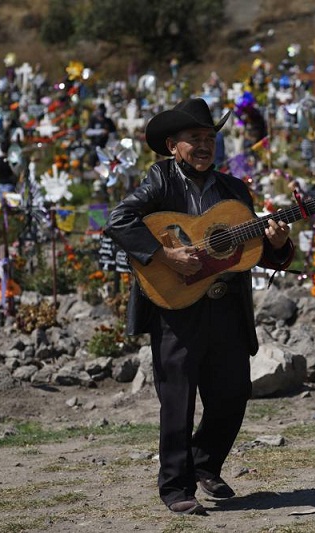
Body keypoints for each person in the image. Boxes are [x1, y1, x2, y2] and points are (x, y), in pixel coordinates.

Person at [104, 98, 294, 515]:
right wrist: (164, 255)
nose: (206, 146)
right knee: (178, 398)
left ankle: (205, 463)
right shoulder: (159, 181)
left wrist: (277, 244)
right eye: (196, 139)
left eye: (211, 138)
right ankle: (175, 487)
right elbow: (119, 220)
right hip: (177, 306)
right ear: (174, 145)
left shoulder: (234, 190)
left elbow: (245, 250)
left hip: (226, 306)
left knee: (232, 394)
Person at [0, 139, 17, 204]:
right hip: (9, 184)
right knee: (10, 203)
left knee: (3, 204)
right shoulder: (10, 160)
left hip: (1, 184)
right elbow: (15, 171)